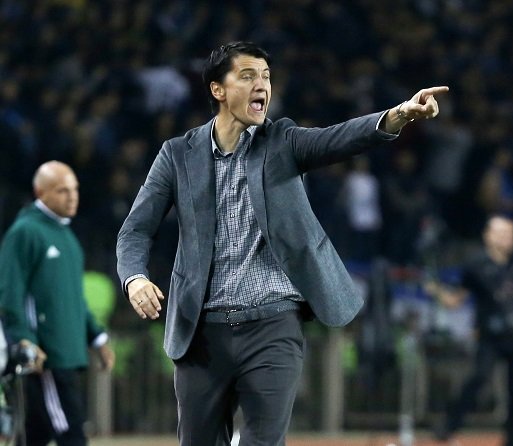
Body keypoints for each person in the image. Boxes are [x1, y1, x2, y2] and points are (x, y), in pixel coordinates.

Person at [116, 41, 448, 446]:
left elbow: (337, 139)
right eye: (248, 76)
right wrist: (134, 278)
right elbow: (135, 230)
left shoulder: (283, 140)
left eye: (266, 77)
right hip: (201, 333)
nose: (262, 85)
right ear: (218, 89)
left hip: (273, 327)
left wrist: (397, 115)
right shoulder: (177, 155)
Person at [0, 160, 115, 446]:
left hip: (68, 352)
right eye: (63, 190)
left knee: (36, 435)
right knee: (72, 434)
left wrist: (97, 337)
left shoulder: (66, 235)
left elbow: (74, 297)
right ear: (41, 192)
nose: (72, 196)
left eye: (74, 189)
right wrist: (24, 340)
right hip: (47, 357)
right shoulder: (25, 232)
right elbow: (9, 291)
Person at [426, 214, 513, 446]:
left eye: (510, 234)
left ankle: (512, 440)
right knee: (479, 378)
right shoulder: (475, 265)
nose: (507, 238)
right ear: (487, 236)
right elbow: (455, 300)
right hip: (490, 335)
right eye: (501, 233)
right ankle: (448, 426)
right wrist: (436, 290)